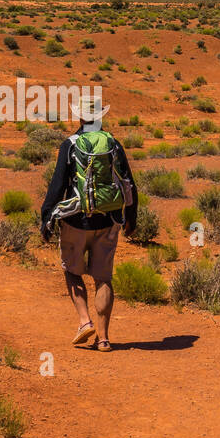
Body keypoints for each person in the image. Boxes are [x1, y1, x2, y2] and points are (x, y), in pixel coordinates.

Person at [39, 94, 137, 352]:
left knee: (72, 270)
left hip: (75, 222)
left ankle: (84, 322)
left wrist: (46, 216)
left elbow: (57, 185)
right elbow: (128, 183)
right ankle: (103, 338)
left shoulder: (70, 145)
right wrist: (131, 217)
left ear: (80, 117)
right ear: (100, 117)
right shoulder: (113, 144)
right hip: (108, 221)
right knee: (103, 278)